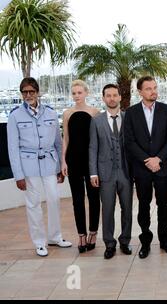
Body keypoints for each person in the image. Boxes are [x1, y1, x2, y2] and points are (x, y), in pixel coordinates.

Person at [7, 77, 72, 257]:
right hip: (28, 166)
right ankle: (39, 242)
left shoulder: (50, 113)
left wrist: (60, 167)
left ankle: (55, 237)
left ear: (37, 92)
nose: (28, 95)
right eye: (25, 92)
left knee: (54, 200)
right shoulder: (14, 116)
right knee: (33, 204)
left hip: (50, 164)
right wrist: (18, 175)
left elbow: (58, 143)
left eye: (31, 91)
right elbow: (12, 147)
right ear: (21, 94)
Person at [123, 76, 167, 258]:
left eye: (155, 87)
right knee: (144, 206)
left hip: (162, 167)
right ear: (140, 92)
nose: (153, 91)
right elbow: (129, 142)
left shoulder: (166, 110)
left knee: (163, 205)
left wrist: (159, 159)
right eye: (148, 88)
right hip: (142, 168)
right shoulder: (131, 113)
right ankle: (145, 242)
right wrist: (148, 160)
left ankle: (164, 240)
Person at [89, 84, 133, 259]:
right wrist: (93, 173)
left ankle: (125, 241)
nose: (112, 98)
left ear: (120, 97)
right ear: (103, 98)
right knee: (107, 210)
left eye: (115, 95)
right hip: (105, 173)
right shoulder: (96, 121)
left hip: (126, 172)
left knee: (127, 209)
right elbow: (92, 148)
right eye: (108, 95)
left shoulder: (128, 118)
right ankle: (109, 243)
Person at [61, 80, 100, 253]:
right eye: (74, 93)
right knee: (77, 201)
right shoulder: (67, 113)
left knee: (93, 199)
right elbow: (66, 139)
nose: (76, 96)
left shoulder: (95, 112)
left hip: (91, 161)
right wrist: (63, 161)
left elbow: (98, 141)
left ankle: (93, 233)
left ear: (86, 93)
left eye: (79, 92)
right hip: (73, 161)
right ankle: (81, 236)